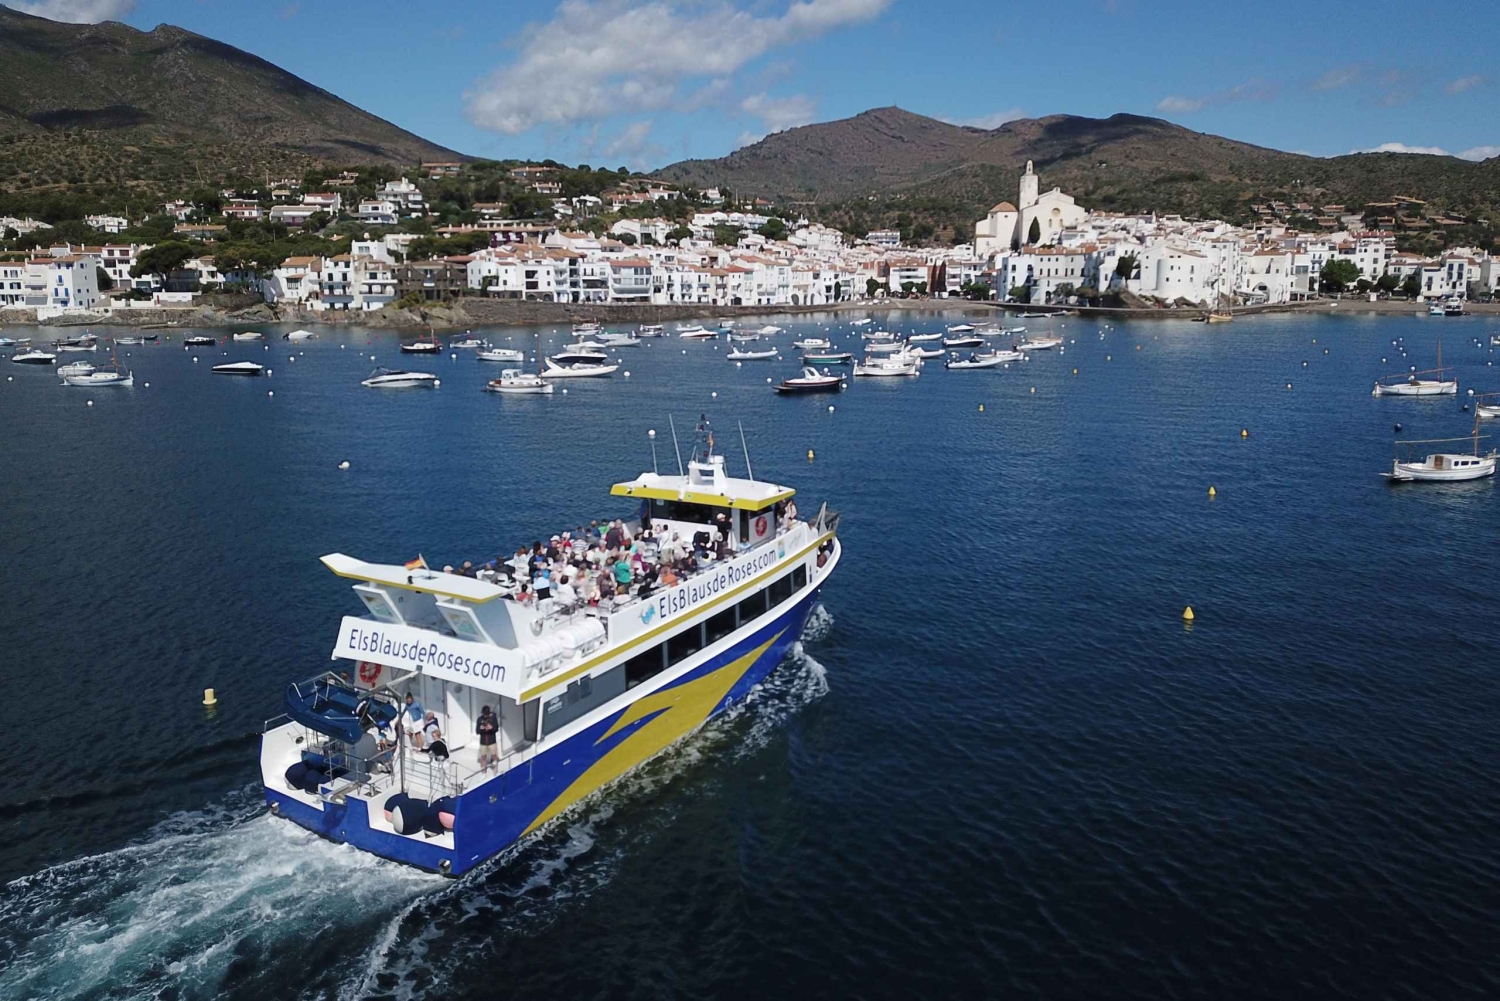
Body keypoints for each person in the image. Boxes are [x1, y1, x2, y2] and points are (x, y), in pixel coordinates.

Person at [476, 706, 499, 772]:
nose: (485, 716)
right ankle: (483, 772)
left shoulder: (493, 718)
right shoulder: (479, 719)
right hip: (483, 742)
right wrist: (481, 728)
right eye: (484, 714)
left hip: (492, 741)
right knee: (483, 757)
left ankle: (495, 770)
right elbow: (477, 731)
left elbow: (496, 729)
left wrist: (491, 728)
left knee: (494, 756)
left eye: (486, 714)